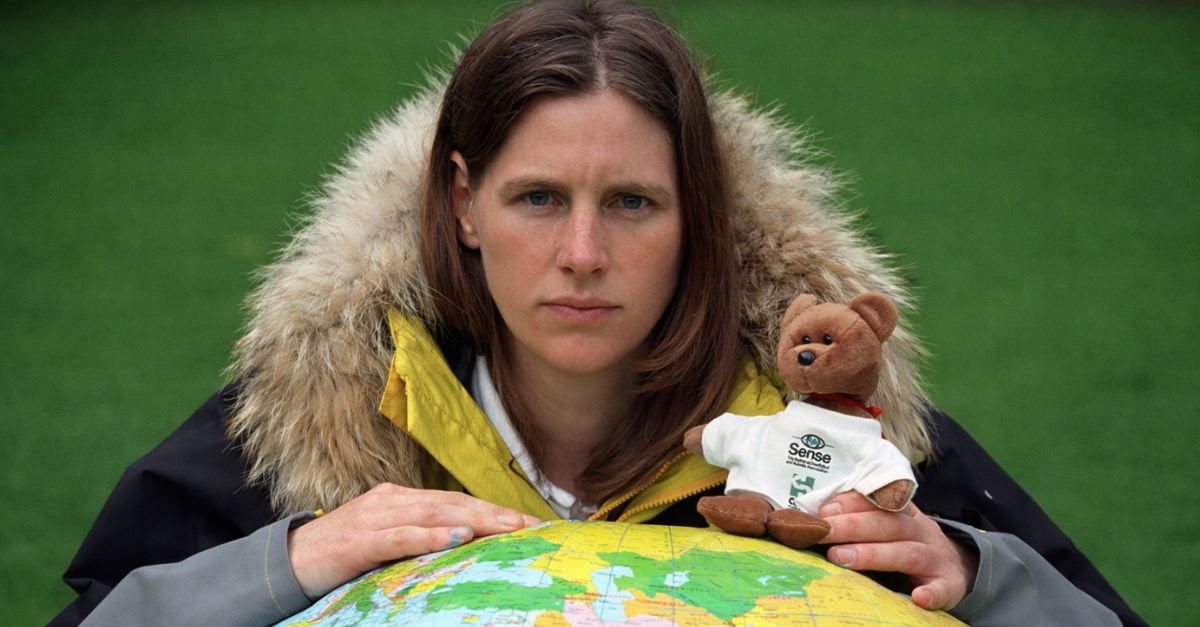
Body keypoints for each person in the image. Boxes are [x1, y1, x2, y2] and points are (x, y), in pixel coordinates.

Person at [52, 1, 1144, 625]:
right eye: (537, 199)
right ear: (463, 204)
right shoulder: (304, 430)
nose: (583, 256)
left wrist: (981, 573)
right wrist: (290, 561)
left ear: (700, 219)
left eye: (632, 203)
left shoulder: (847, 443)